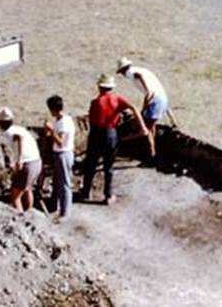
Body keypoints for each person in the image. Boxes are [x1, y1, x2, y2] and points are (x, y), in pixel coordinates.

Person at [79, 75, 148, 205]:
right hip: (110, 134)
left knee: (91, 164)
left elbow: (92, 120)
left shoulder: (95, 102)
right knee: (108, 166)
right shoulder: (117, 99)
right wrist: (142, 127)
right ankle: (108, 195)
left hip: (96, 133)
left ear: (100, 87)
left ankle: (85, 192)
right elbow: (134, 108)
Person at [116, 57, 169, 158]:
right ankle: (152, 151)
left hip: (155, 101)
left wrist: (144, 108)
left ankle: (151, 153)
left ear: (122, 71)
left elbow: (149, 92)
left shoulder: (131, 73)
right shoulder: (141, 69)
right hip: (162, 98)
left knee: (146, 128)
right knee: (151, 126)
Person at [0, 107, 42, 213]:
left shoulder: (10, 132)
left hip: (27, 164)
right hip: (36, 162)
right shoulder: (19, 128)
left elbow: (19, 138)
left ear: (0, 122)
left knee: (15, 195)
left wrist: (19, 160)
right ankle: (29, 213)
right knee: (27, 189)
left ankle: (20, 217)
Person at [43, 95, 75, 219]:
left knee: (64, 184)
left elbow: (61, 141)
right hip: (59, 154)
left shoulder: (64, 123)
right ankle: (55, 206)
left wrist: (51, 131)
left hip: (63, 154)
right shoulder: (59, 120)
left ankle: (65, 212)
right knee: (57, 182)